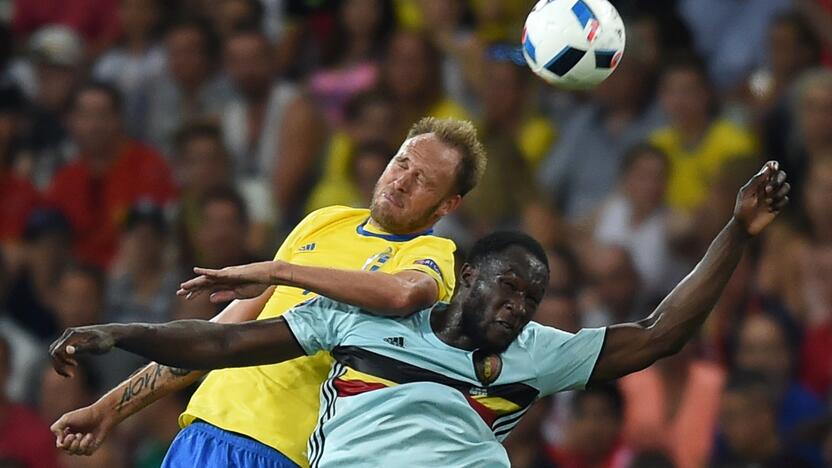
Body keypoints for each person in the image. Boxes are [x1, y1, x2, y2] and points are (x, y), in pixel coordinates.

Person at [51, 161, 790, 466]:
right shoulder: (357, 321)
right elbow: (225, 342)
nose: (518, 308)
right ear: (468, 276)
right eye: (508, 289)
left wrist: (735, 231)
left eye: (531, 299)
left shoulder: (530, 349)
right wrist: (117, 335)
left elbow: (661, 333)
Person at [50, 117, 486, 468]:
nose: (402, 181)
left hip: (283, 451)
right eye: (402, 162)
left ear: (447, 206)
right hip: (202, 433)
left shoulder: (434, 253)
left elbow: (405, 294)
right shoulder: (325, 221)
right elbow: (219, 333)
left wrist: (283, 271)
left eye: (424, 180)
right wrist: (108, 408)